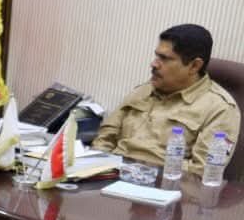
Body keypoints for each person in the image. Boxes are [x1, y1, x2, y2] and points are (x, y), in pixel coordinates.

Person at [92, 24, 241, 175]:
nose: (154, 64)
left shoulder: (220, 108)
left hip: (164, 182)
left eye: (164, 58)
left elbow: (202, 171)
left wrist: (145, 171)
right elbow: (105, 138)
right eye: (157, 56)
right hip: (112, 175)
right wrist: (96, 170)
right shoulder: (144, 90)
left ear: (194, 66)